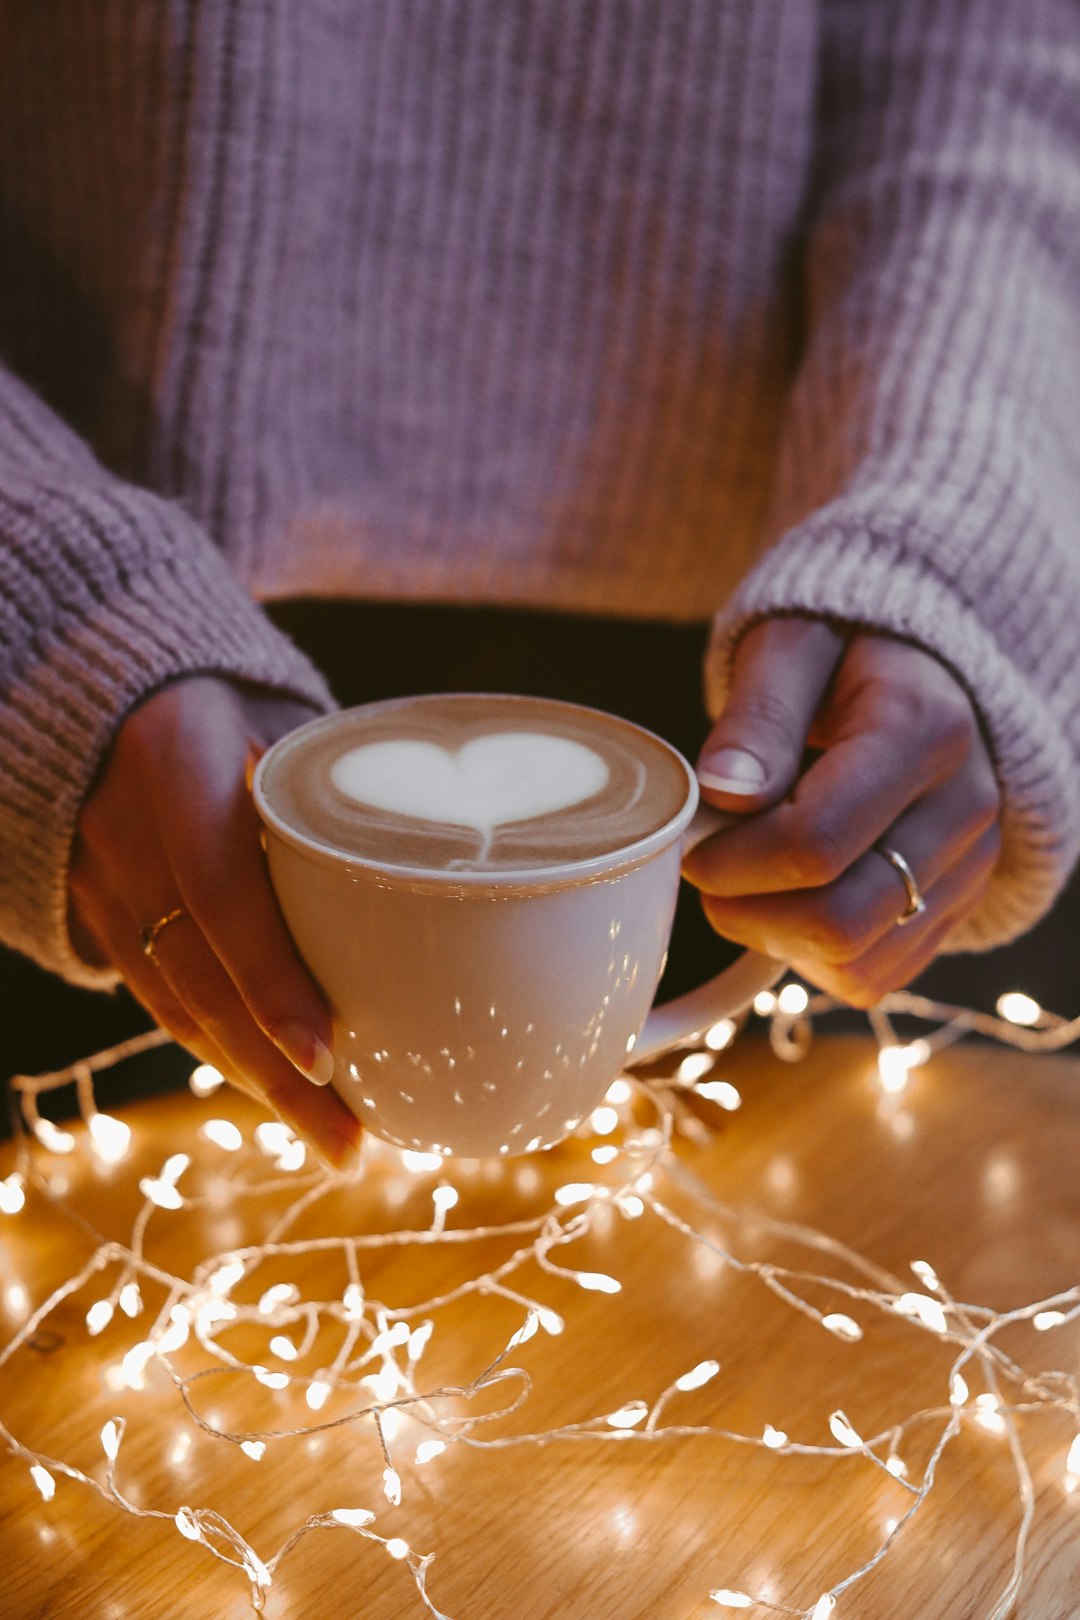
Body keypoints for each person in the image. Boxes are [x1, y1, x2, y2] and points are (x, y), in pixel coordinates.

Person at [1, 2, 1077, 1170]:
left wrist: (950, 513)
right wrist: (45, 603)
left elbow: (999, 57)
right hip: (137, 771)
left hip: (808, 695)